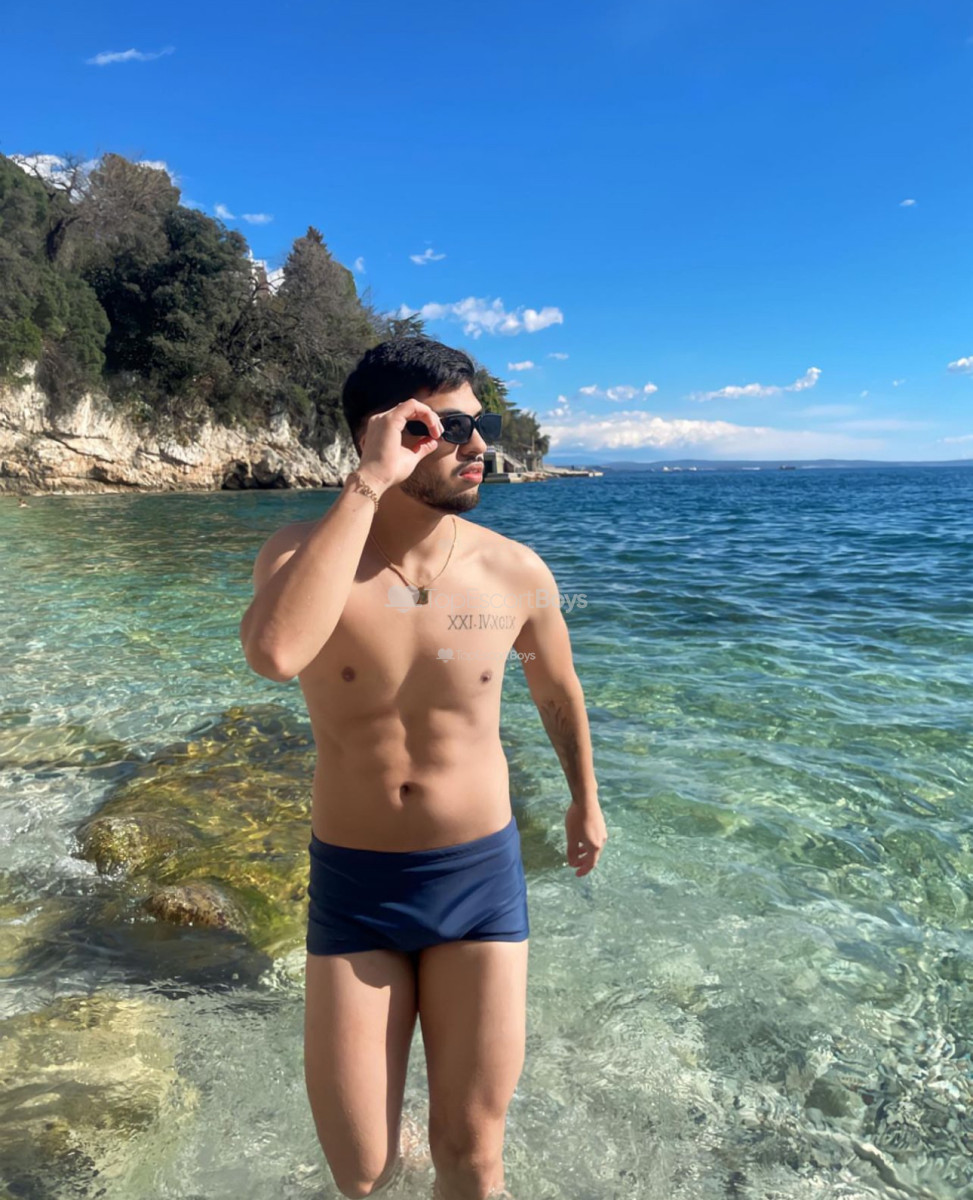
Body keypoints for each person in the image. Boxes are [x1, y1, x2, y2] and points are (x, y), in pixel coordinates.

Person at [240, 337, 607, 1199]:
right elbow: (276, 654)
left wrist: (583, 801)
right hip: (354, 885)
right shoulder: (300, 556)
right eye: (441, 427)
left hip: (477, 879)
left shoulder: (513, 570)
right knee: (362, 1173)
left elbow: (557, 690)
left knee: (470, 1156)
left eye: (483, 426)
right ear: (379, 434)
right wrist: (367, 484)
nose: (477, 446)